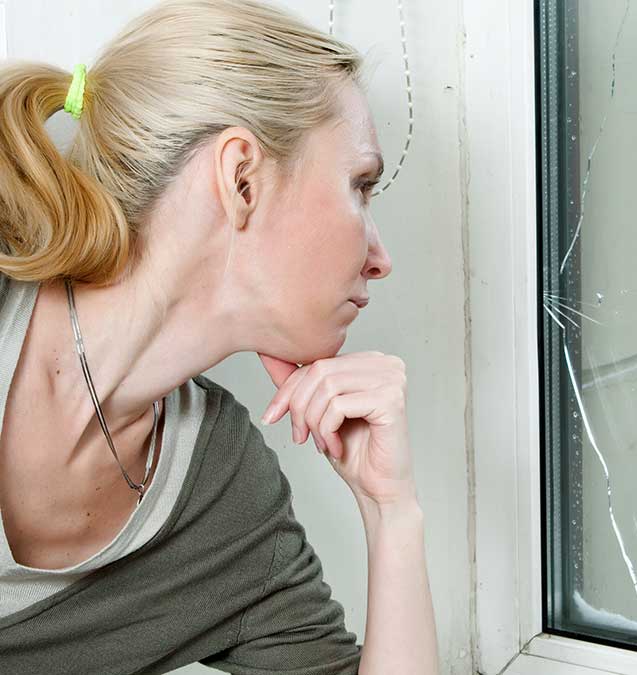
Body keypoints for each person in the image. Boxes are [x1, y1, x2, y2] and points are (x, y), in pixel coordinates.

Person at [0, 0, 437, 673]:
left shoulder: (224, 499)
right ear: (241, 179)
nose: (381, 257)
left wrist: (393, 515)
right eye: (360, 184)